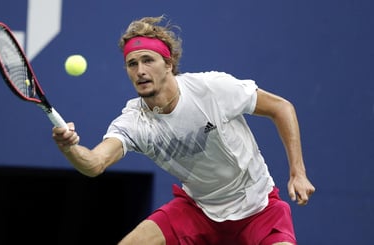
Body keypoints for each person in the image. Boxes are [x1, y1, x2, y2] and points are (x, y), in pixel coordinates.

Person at [52, 16, 316, 245]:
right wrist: (69, 147)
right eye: (132, 64)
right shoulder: (134, 121)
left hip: (258, 207)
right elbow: (94, 163)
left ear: (168, 64)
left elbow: (281, 107)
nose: (140, 71)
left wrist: (298, 172)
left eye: (148, 60)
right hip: (198, 210)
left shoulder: (211, 89)